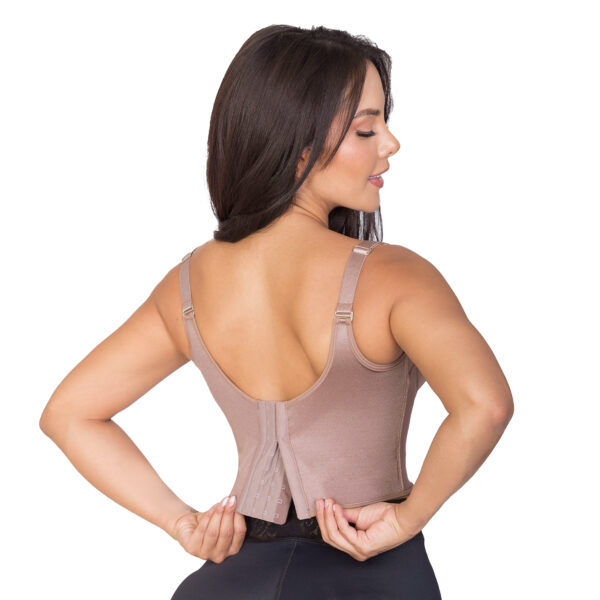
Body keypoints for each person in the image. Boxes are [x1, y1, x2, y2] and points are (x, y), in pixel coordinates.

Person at [39, 24, 514, 599]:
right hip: (373, 581)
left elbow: (69, 414)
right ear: (298, 145)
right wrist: (406, 519)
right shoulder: (395, 276)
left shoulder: (188, 284)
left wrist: (181, 523)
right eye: (366, 128)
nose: (390, 143)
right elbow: (485, 406)